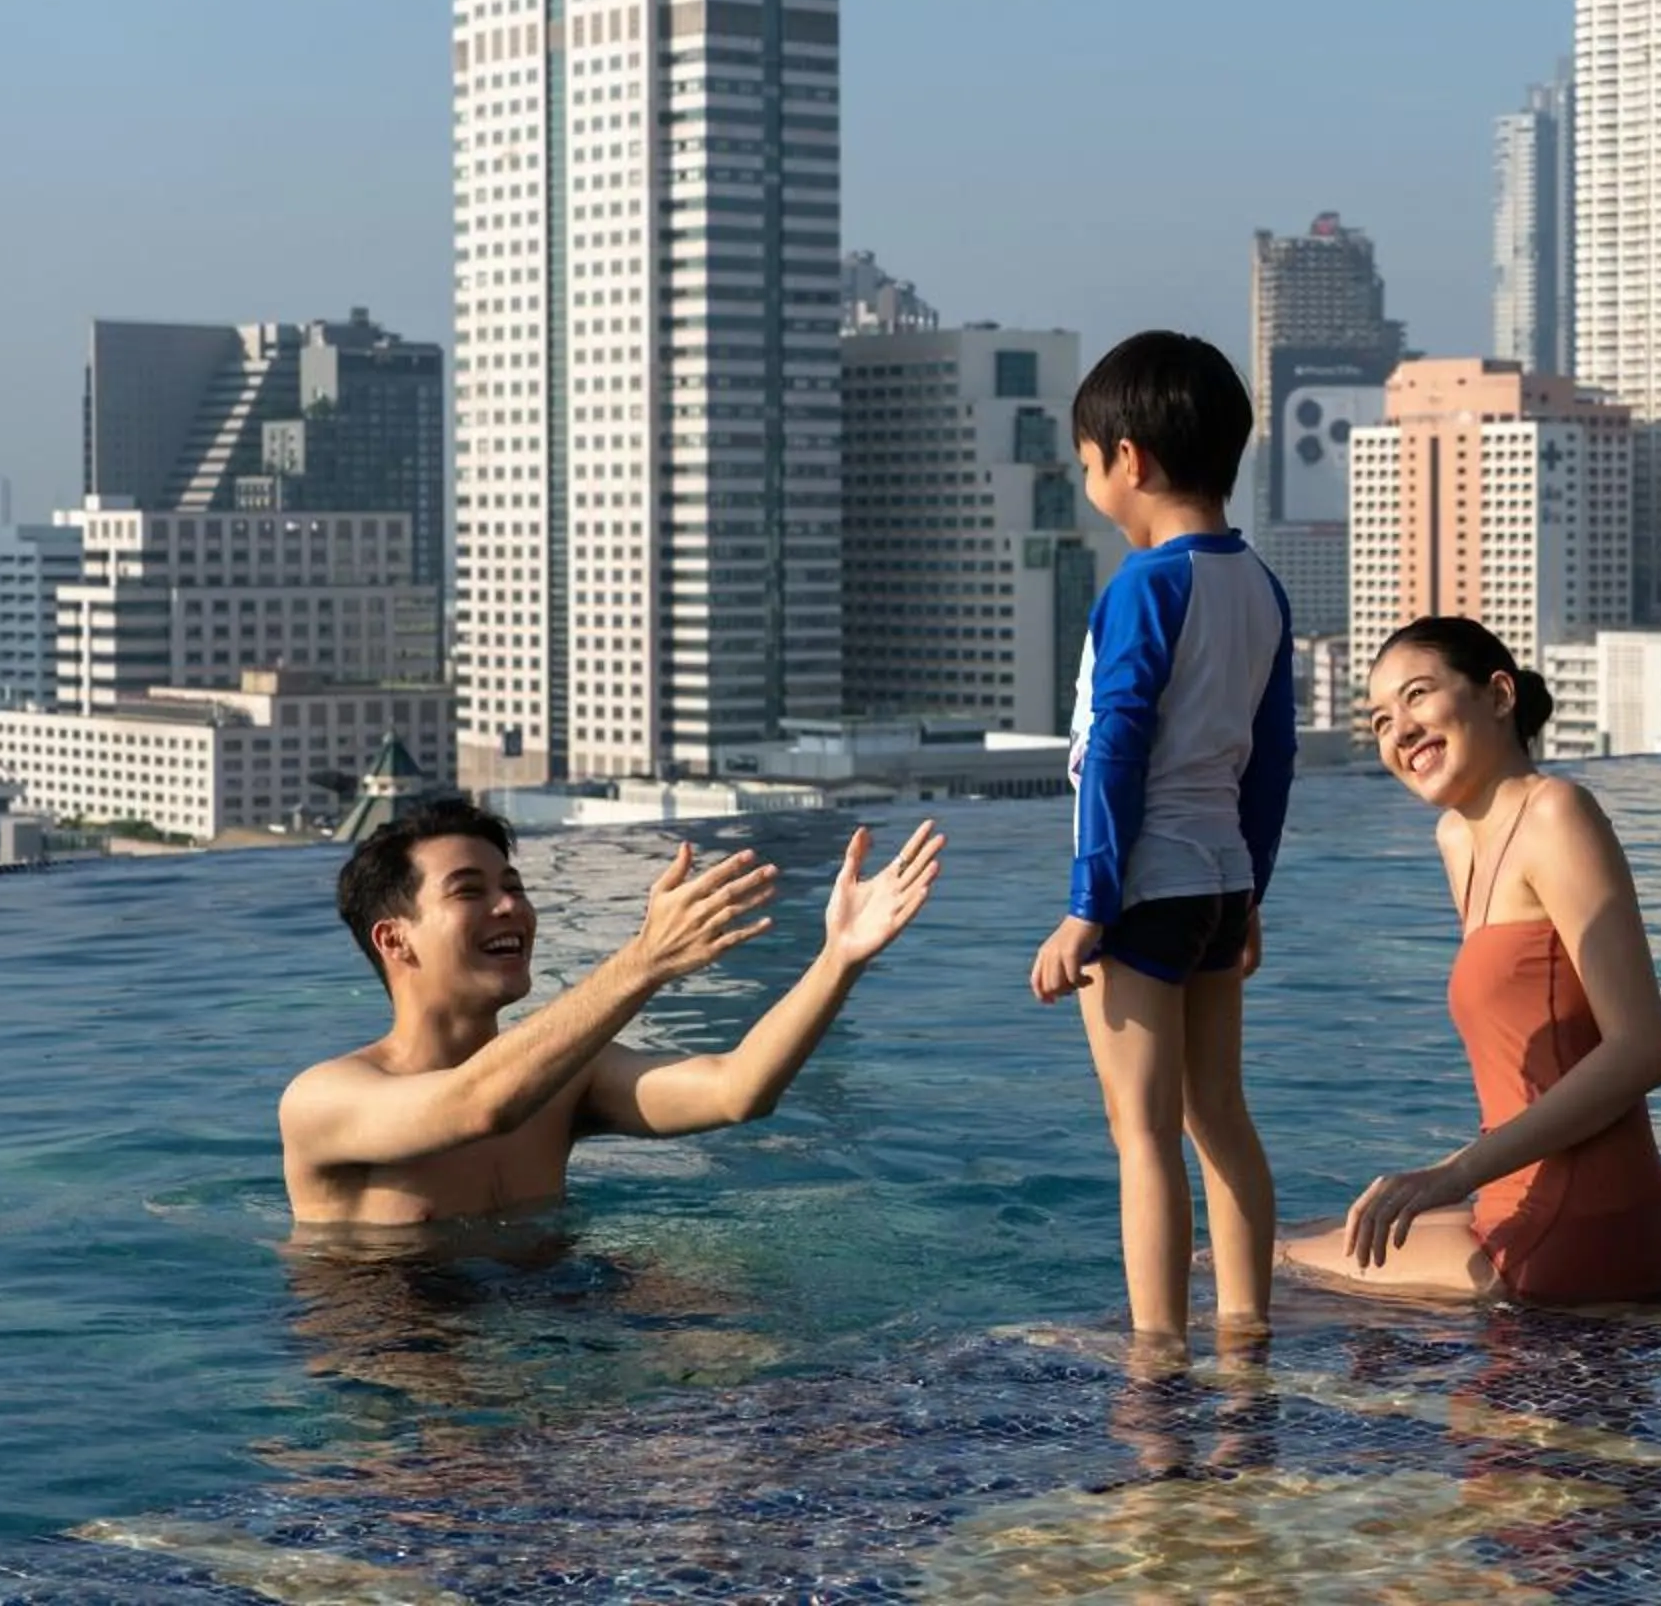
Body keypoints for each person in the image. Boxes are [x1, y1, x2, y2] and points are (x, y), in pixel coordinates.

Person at [281, 797, 943, 1228]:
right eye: (470, 892)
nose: (510, 906)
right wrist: (645, 960)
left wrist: (840, 959)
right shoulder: (325, 1100)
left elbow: (738, 1090)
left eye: (513, 887)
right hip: (408, 1371)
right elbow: (477, 1106)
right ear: (395, 939)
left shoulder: (571, 1083)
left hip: (564, 1324)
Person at [1285, 616, 1661, 1305]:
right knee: (1313, 1230)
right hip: (1522, 1199)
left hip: (1580, 1228)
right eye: (1380, 720)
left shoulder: (1557, 813)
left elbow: (1643, 1050)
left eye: (1417, 696)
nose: (1399, 731)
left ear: (1499, 697)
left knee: (1237, 1263)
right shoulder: (1458, 840)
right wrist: (1445, 1177)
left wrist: (1451, 1177)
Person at [1030, 329, 1297, 1347]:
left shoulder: (1145, 584)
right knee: (1220, 1111)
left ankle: (1157, 1352)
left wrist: (1086, 905)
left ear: (1128, 457)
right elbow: (1271, 760)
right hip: (1222, 879)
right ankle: (1247, 1323)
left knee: (1141, 1135)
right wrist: (1254, 893)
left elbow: (1114, 752)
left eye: (1089, 461)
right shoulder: (1259, 586)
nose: (1090, 479)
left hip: (1142, 889)